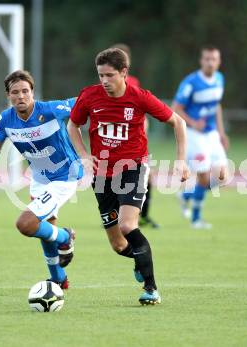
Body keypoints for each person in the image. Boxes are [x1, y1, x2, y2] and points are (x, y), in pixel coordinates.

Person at [68, 48, 189, 305]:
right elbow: (73, 125)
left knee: (127, 225)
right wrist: (83, 155)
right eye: (100, 75)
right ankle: (140, 258)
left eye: (109, 75)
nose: (104, 80)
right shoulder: (89, 96)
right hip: (102, 175)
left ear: (124, 73)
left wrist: (181, 162)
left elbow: (179, 123)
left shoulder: (139, 97)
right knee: (118, 244)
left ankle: (151, 288)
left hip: (133, 167)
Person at [0, 70, 83, 289]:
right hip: (40, 179)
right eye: (15, 92)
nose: (21, 96)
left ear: (32, 92)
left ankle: (66, 237)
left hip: (65, 177)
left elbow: (83, 102)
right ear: (9, 96)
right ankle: (59, 279)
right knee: (45, 231)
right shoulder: (6, 119)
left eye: (25, 91)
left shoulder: (51, 110)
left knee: (26, 224)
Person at [172, 45, 229, 229]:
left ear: (219, 61)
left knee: (222, 177)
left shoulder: (220, 79)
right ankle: (196, 219)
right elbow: (176, 107)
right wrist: (193, 122)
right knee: (203, 178)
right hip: (193, 134)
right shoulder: (191, 82)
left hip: (211, 134)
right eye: (207, 59)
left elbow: (217, 106)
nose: (210, 62)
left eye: (214, 59)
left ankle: (186, 195)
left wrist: (221, 133)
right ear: (201, 60)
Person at [111, 43, 159, 229]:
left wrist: (143, 129)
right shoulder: (106, 85)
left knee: (147, 178)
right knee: (113, 178)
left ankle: (144, 216)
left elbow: (140, 110)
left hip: (135, 140)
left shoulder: (134, 83)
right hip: (115, 141)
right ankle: (114, 216)